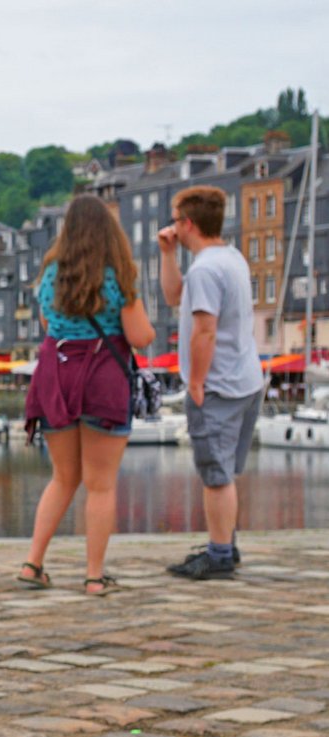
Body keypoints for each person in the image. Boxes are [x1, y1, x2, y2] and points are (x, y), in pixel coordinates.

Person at [20, 194, 156, 595]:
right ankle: (94, 576)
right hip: (102, 379)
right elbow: (140, 336)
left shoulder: (49, 276)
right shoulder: (119, 277)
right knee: (100, 484)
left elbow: (49, 324)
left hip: (55, 378)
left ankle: (33, 564)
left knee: (62, 479)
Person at [159, 185, 264, 580]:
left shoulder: (205, 269)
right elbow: (174, 297)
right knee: (226, 471)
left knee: (215, 475)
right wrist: (167, 255)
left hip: (218, 384)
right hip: (246, 379)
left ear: (188, 223)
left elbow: (204, 329)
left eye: (174, 219)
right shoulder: (230, 258)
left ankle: (219, 555)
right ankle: (226, 543)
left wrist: (197, 383)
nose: (171, 226)